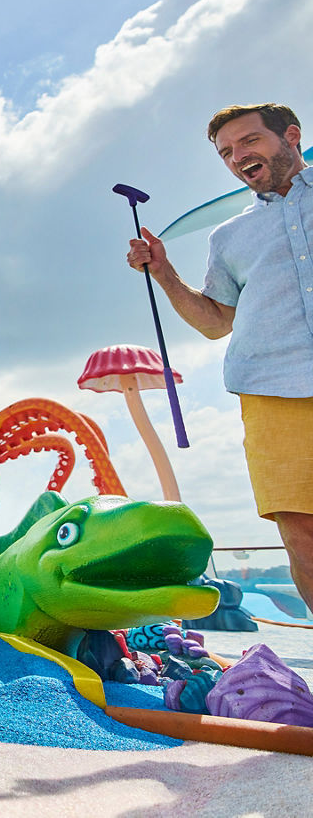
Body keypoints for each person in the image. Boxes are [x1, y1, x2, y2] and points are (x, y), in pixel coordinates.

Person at [127, 102, 313, 609]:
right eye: (227, 152)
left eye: (249, 141)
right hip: (271, 389)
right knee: (302, 534)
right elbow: (215, 322)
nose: (238, 157)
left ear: (291, 136)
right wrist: (164, 273)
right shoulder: (228, 236)